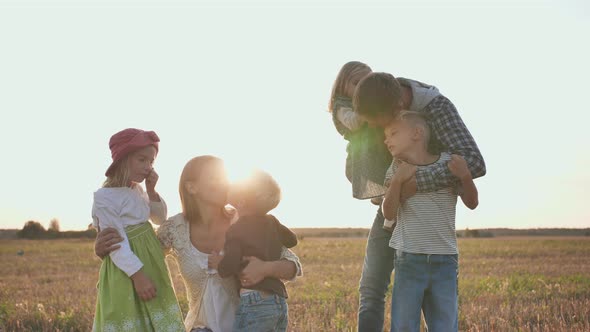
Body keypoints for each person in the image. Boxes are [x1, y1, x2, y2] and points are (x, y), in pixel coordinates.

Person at [95, 155, 302, 332]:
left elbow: (293, 265)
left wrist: (265, 268)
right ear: (191, 187)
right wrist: (103, 250)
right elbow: (139, 258)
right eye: (215, 178)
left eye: (225, 178)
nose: (224, 183)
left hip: (248, 324)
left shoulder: (247, 220)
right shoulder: (175, 229)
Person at [381, 111, 478, 331]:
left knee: (445, 325)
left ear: (417, 133)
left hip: (445, 261)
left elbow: (472, 203)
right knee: (404, 325)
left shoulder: (449, 163)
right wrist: (397, 180)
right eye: (385, 136)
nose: (387, 140)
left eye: (393, 133)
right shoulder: (397, 167)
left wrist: (465, 176)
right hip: (409, 259)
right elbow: (388, 212)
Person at [91, 128, 184, 331]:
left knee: (156, 313)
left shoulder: (138, 190)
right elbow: (115, 242)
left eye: (151, 162)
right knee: (130, 313)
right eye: (142, 159)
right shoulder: (105, 197)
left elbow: (159, 218)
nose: (148, 167)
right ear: (123, 159)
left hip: (150, 261)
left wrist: (151, 191)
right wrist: (138, 276)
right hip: (129, 268)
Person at [218, 170, 298, 332]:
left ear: (240, 201)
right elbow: (292, 240)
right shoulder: (272, 221)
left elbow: (229, 265)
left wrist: (220, 265)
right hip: (279, 300)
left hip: (255, 300)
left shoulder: (237, 229)